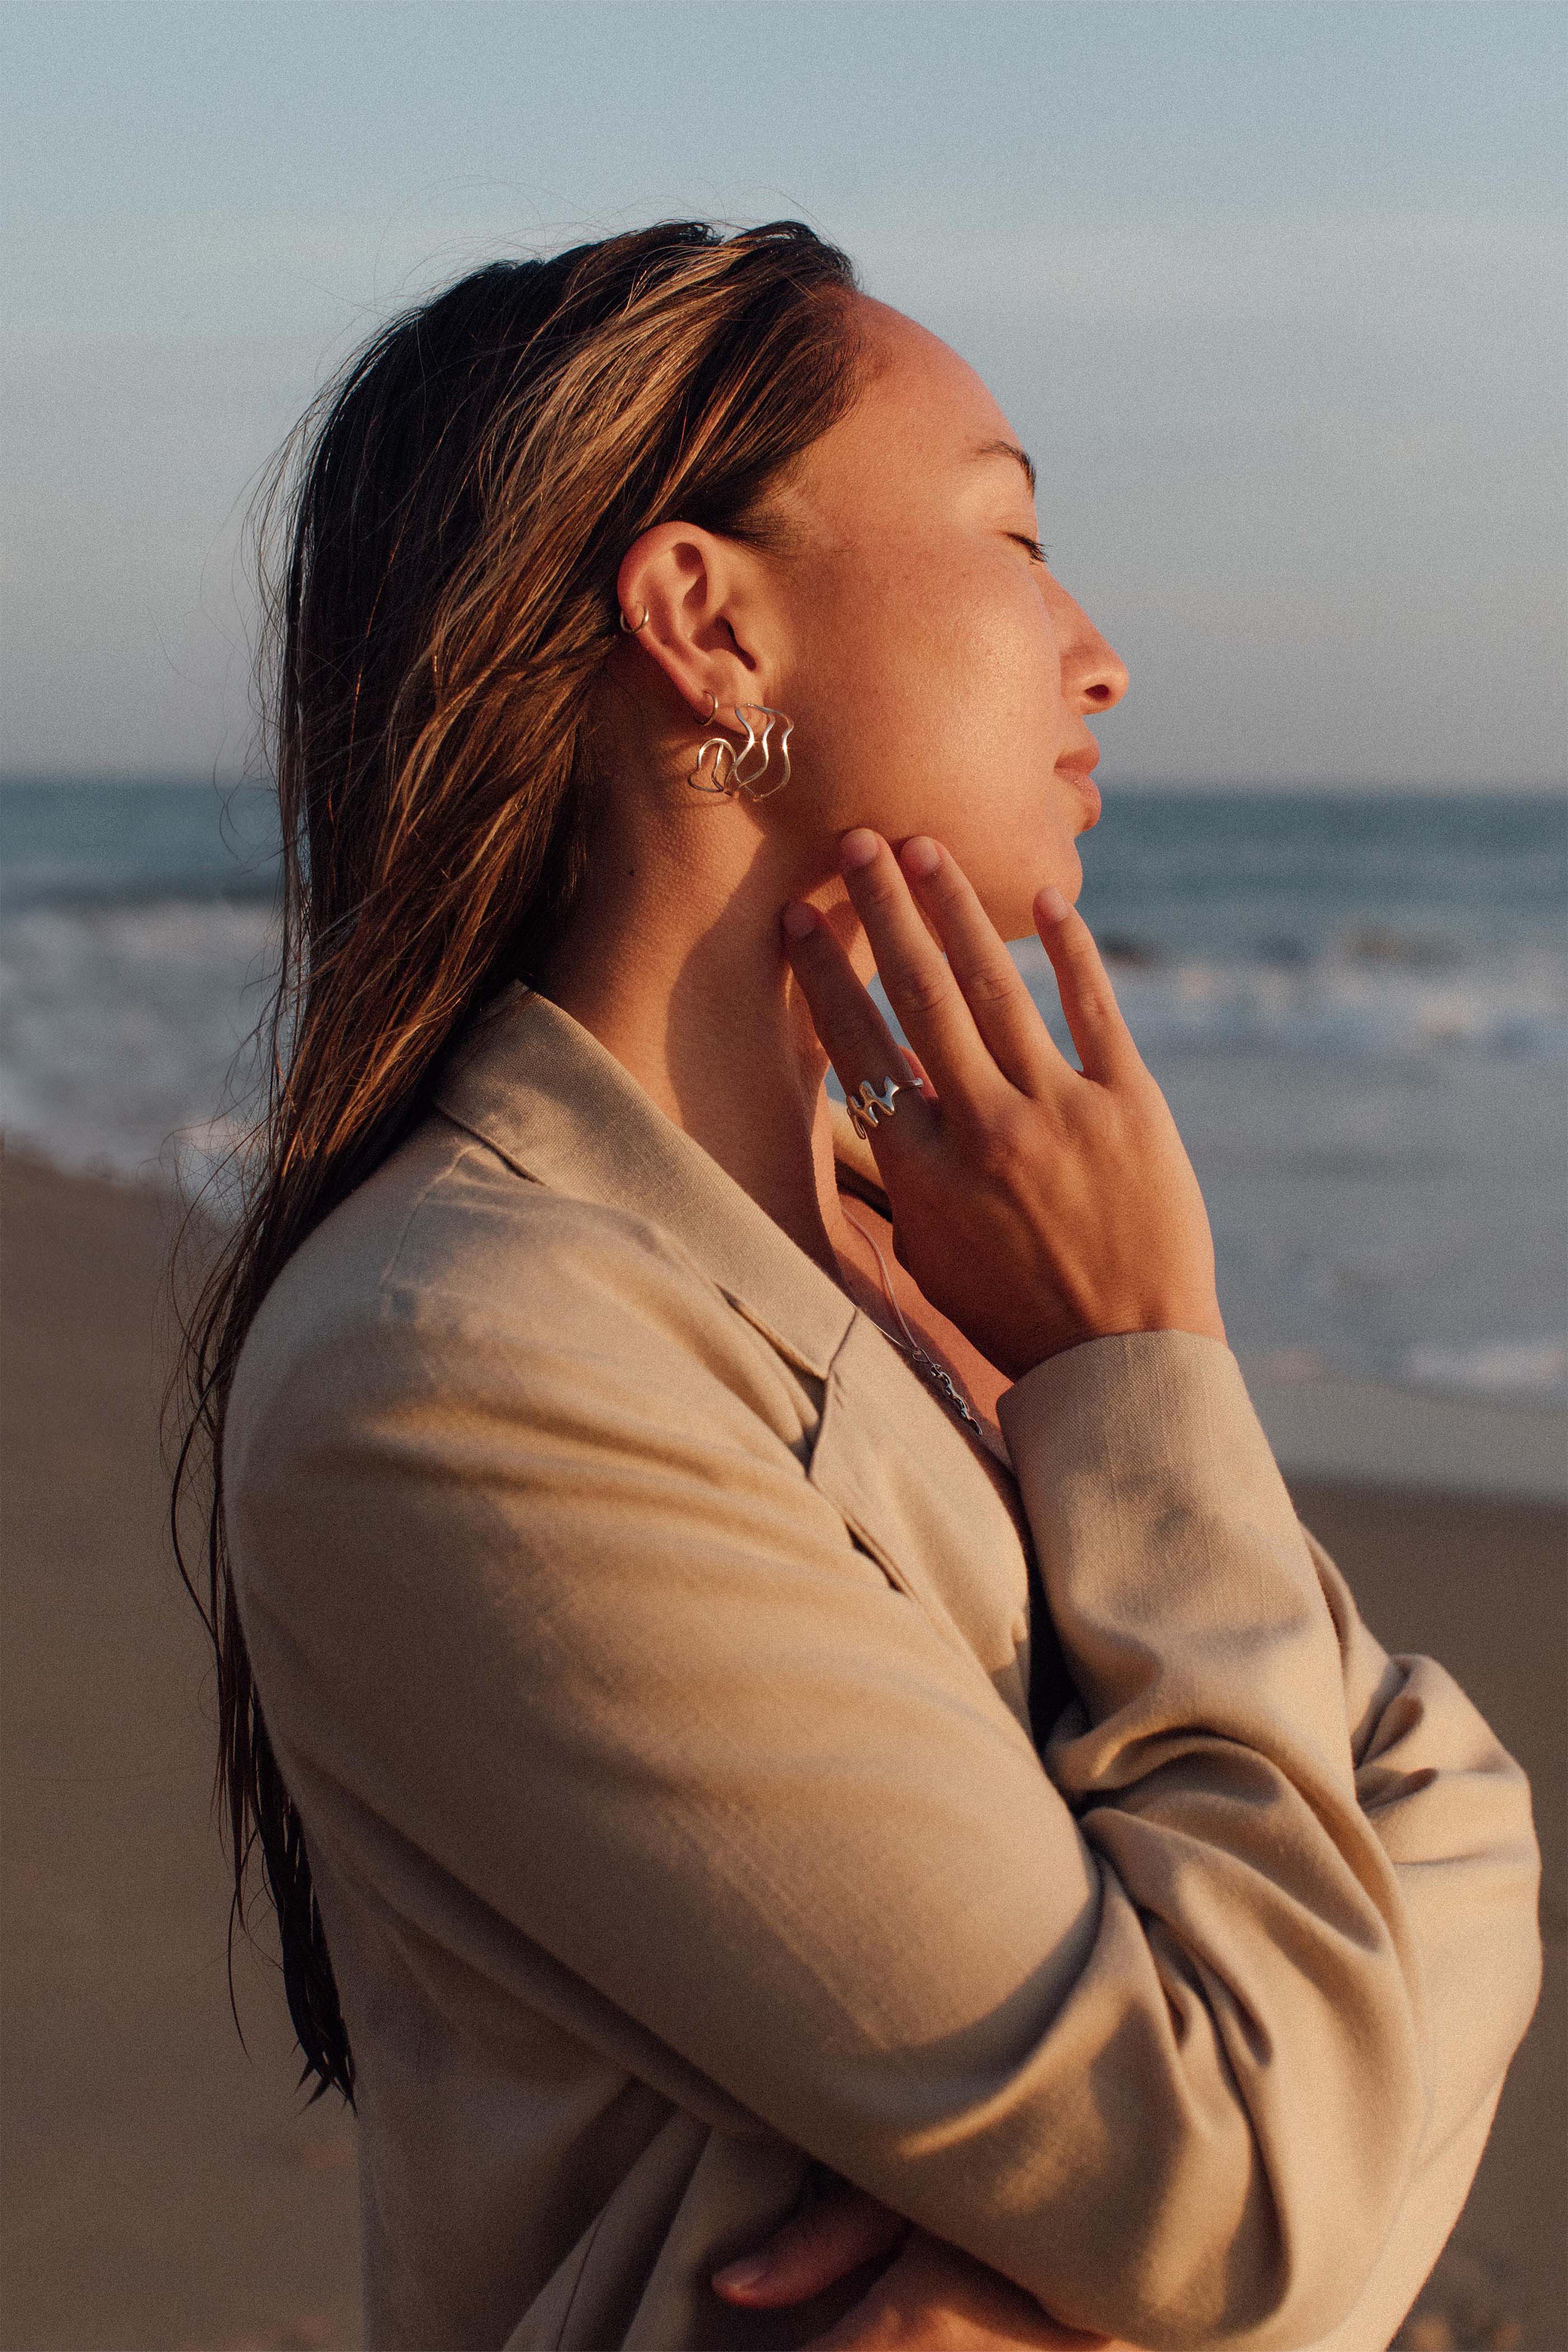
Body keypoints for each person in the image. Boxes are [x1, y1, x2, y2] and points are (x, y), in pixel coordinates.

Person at [176, 221, 1541, 2351]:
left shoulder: (923, 1272)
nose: (1097, 653)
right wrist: (1141, 1364)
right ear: (705, 623)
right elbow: (1260, 2192)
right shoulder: (455, 1363)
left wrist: (1034, 2281)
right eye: (1015, 535)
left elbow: (1460, 1826)